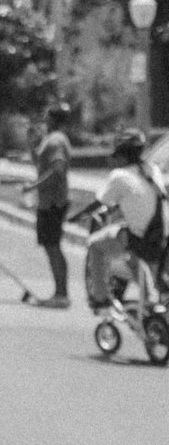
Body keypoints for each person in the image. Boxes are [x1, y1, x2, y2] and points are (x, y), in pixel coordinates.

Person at [84, 127, 168, 312]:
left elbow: (98, 203)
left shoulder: (119, 176)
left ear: (122, 155)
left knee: (95, 245)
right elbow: (142, 199)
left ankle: (100, 298)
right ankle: (151, 310)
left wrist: (77, 216)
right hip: (162, 234)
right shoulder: (150, 169)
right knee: (143, 267)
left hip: (141, 237)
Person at [22, 103, 73, 308]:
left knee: (54, 247)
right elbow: (41, 165)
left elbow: (58, 170)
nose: (44, 120)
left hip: (54, 202)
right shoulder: (49, 141)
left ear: (53, 119)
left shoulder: (57, 141)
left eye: (47, 117)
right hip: (47, 201)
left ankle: (61, 294)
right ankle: (59, 292)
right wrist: (32, 145)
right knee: (50, 246)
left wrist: (33, 186)